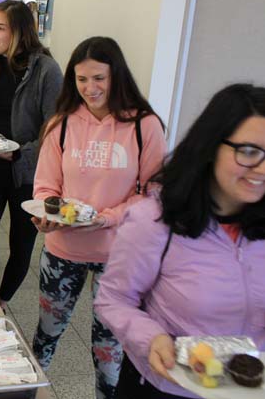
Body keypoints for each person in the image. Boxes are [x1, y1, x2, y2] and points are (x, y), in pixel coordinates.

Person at [95, 83, 265, 399]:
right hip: (169, 387)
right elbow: (112, 299)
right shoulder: (155, 222)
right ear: (212, 146)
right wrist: (152, 338)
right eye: (249, 152)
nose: (262, 169)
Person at [30, 36, 167, 399]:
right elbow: (45, 186)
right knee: (46, 335)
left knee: (110, 350)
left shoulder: (144, 125)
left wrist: (108, 217)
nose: (90, 88)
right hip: (63, 249)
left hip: (121, 255)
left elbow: (153, 193)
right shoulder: (61, 124)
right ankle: (22, 392)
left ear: (116, 76)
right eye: (81, 79)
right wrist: (46, 213)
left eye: (99, 78)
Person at [0, 1, 63, 312]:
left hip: (26, 172)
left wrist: (20, 154)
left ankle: (3, 300)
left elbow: (55, 128)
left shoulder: (45, 69)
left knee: (21, 244)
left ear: (19, 31)